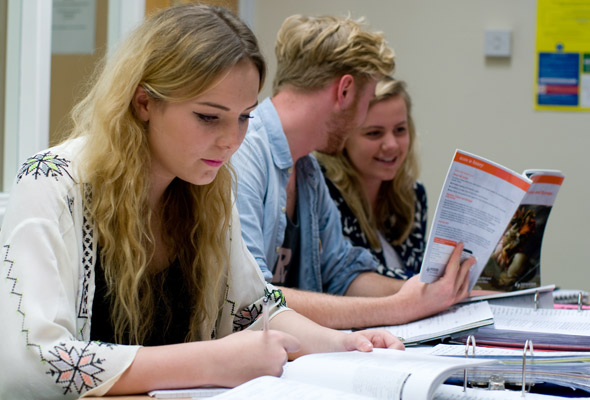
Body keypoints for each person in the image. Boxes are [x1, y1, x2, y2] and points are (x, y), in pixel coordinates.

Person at [0, 5, 403, 399]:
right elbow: (35, 364)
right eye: (209, 117)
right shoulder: (51, 182)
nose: (231, 140)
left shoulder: (209, 189)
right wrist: (211, 361)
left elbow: (255, 310)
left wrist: (346, 345)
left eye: (244, 117)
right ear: (144, 103)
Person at [233, 14, 475, 330]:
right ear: (345, 91)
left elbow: (343, 273)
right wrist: (398, 307)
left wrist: (435, 291)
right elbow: (252, 301)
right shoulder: (243, 155)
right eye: (368, 100)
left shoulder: (307, 170)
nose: (362, 119)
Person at [316, 77, 426, 283]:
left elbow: (421, 271)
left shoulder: (412, 195)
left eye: (400, 130)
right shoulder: (323, 194)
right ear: (343, 136)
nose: (392, 145)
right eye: (374, 133)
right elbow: (349, 282)